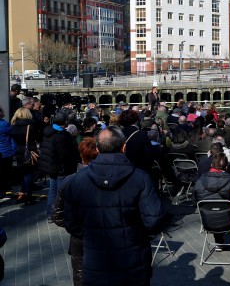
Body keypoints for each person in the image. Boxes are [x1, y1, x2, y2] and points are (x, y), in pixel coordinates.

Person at [62, 126, 168, 286]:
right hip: (132, 259)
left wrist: (89, 234)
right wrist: (137, 235)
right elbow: (154, 220)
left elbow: (70, 220)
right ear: (124, 147)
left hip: (96, 258)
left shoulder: (77, 180)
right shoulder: (140, 178)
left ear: (97, 148)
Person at [52, 138, 99, 286]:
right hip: (100, 236)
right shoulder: (108, 178)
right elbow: (58, 215)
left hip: (80, 238)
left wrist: (75, 228)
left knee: (81, 276)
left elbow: (57, 215)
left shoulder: (70, 180)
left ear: (81, 156)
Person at [39, 111, 78, 221]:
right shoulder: (61, 135)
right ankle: (59, 214)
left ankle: (50, 214)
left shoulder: (48, 131)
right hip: (61, 168)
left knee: (52, 190)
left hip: (51, 166)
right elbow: (64, 154)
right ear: (65, 122)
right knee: (61, 192)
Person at [0, 106, 15, 198]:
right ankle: (4, 189)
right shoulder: (4, 124)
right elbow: (12, 133)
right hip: (5, 151)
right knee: (5, 171)